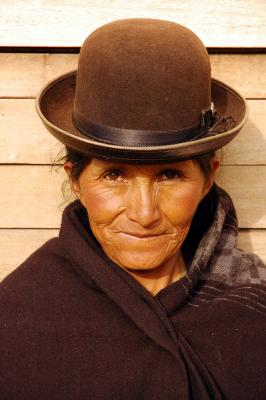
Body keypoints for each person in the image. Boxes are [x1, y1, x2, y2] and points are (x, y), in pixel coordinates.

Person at [0, 18, 265, 400]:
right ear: (75, 180)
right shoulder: (16, 322)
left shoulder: (253, 308)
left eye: (170, 175)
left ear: (209, 179)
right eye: (113, 176)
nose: (144, 214)